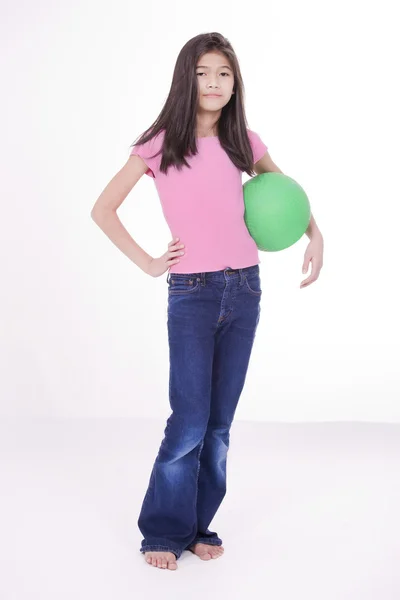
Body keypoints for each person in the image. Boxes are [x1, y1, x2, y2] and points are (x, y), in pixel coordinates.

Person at [91, 32, 324, 571]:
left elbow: (286, 191)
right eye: (203, 73)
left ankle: (198, 526)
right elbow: (103, 209)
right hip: (192, 294)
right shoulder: (160, 141)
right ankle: (161, 531)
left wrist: (316, 233)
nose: (214, 83)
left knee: (219, 422)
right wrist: (150, 262)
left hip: (244, 289)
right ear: (186, 79)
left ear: (235, 81)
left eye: (223, 73)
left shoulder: (245, 139)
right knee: (190, 418)